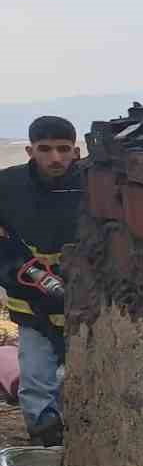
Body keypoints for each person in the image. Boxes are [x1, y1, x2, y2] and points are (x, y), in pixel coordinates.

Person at [0, 117, 83, 446]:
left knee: (81, 378)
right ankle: (46, 444)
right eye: (45, 149)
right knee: (36, 380)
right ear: (29, 150)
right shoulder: (9, 185)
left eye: (63, 150)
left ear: (76, 152)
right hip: (32, 303)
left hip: (82, 304)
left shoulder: (92, 184)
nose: (55, 158)